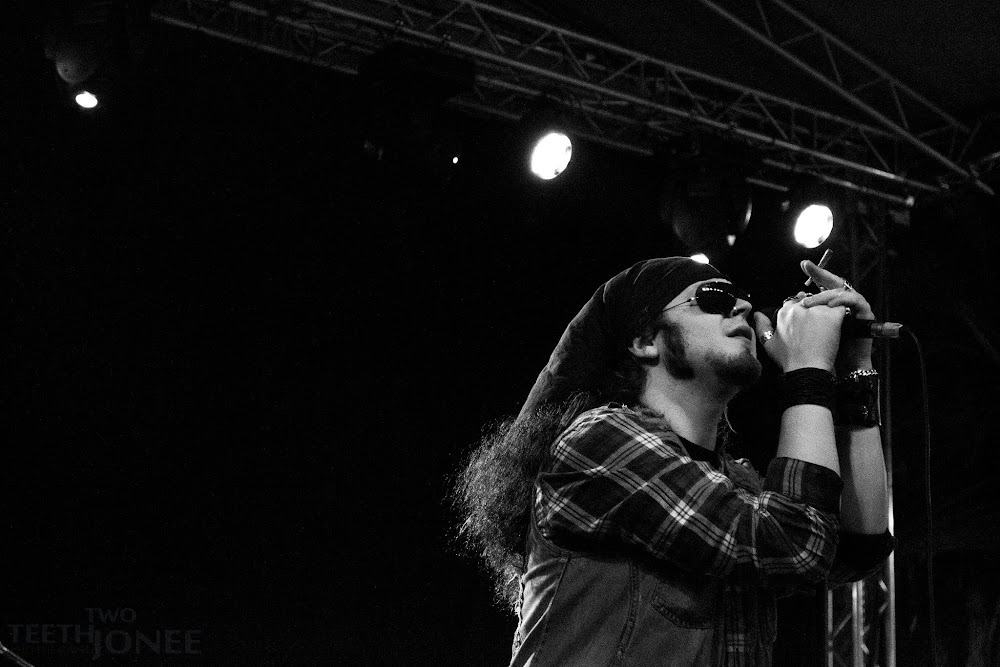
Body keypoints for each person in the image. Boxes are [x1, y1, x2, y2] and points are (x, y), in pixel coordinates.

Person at [453, 256, 894, 666]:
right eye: (714, 298)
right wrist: (808, 367)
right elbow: (794, 544)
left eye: (741, 298)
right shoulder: (601, 443)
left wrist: (854, 366)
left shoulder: (735, 481)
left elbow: (857, 549)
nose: (743, 307)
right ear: (645, 341)